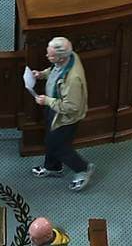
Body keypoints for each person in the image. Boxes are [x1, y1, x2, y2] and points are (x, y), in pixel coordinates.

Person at [26, 35, 94, 190]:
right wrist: (42, 74)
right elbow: (55, 71)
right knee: (50, 140)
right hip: (54, 110)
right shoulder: (67, 59)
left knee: (59, 146)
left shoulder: (73, 79)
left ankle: (83, 168)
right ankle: (53, 166)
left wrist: (47, 101)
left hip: (66, 117)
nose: (47, 56)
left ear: (61, 58)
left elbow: (71, 107)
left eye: (50, 55)